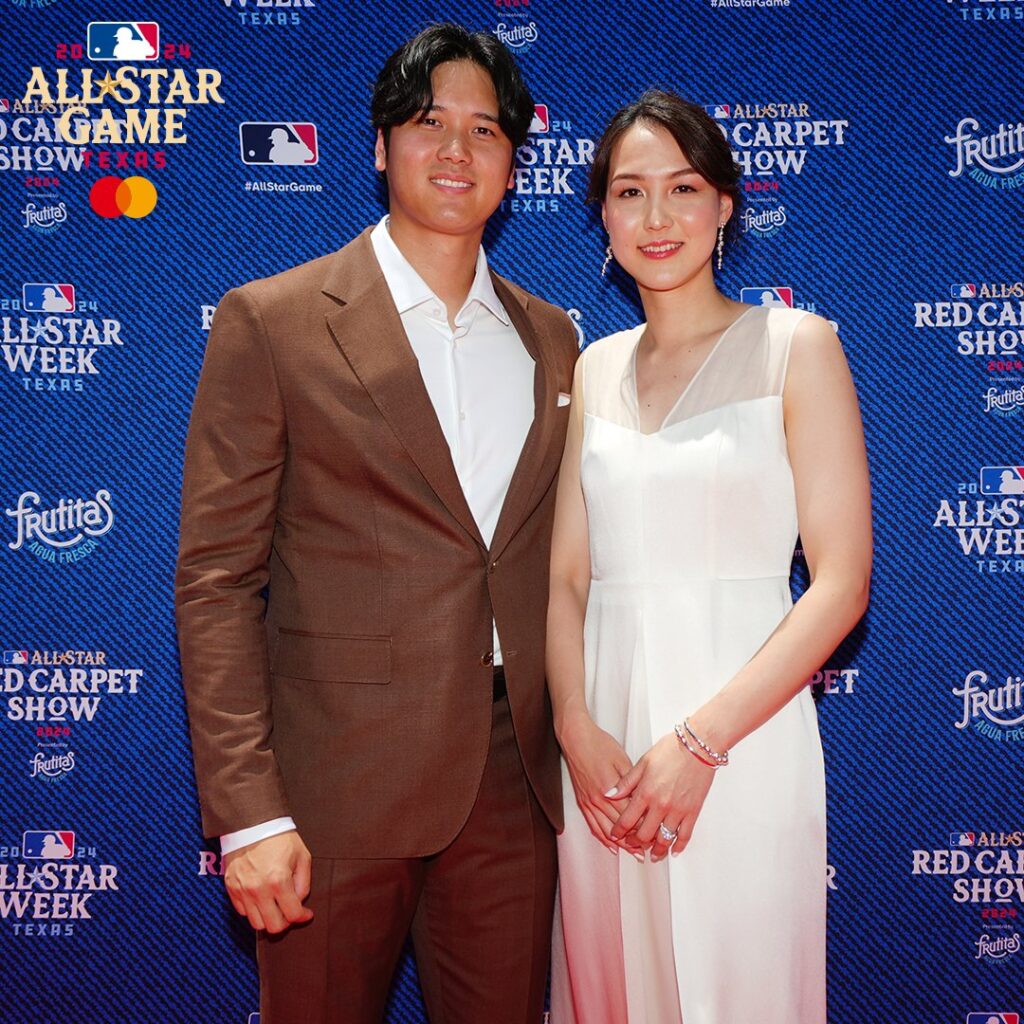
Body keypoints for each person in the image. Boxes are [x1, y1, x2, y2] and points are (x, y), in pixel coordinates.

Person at [176, 24, 577, 1024]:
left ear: (513, 165)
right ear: (380, 145)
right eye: (429, 122)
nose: (456, 150)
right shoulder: (272, 320)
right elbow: (217, 578)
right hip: (331, 787)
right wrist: (248, 812)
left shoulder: (554, 338)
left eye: (485, 130)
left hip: (511, 783)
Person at [546, 90, 872, 1023]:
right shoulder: (593, 366)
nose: (656, 217)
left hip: (742, 737)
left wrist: (701, 742)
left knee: (739, 985)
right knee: (613, 986)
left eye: (683, 188)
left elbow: (841, 582)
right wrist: (573, 724)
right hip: (604, 753)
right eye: (629, 192)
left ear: (725, 204)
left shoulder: (796, 346)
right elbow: (567, 577)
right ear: (604, 216)